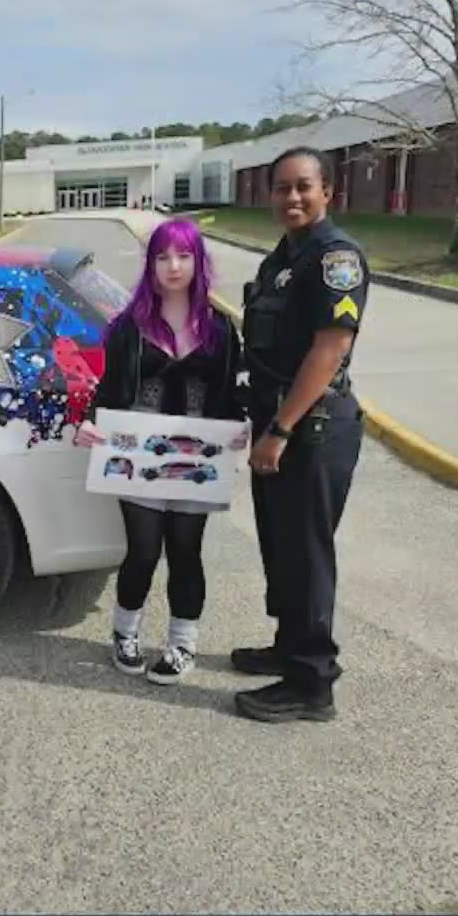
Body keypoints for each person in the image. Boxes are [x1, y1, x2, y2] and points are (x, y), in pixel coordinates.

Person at [232, 146, 370, 723]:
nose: (292, 197)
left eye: (303, 187)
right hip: (278, 423)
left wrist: (281, 428)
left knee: (307, 554)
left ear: (327, 192)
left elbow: (330, 348)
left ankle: (313, 683)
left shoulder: (334, 258)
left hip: (309, 429)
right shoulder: (284, 258)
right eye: (282, 188)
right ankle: (289, 649)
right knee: (282, 545)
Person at [76, 217, 245, 684]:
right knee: (143, 551)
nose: (173, 266)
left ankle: (181, 643)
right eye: (163, 256)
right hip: (138, 461)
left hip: (198, 462)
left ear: (198, 262)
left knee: (187, 552)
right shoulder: (129, 326)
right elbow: (109, 389)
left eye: (184, 256)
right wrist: (89, 424)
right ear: (150, 265)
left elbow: (231, 393)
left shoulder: (221, 329)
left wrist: (237, 429)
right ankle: (124, 634)